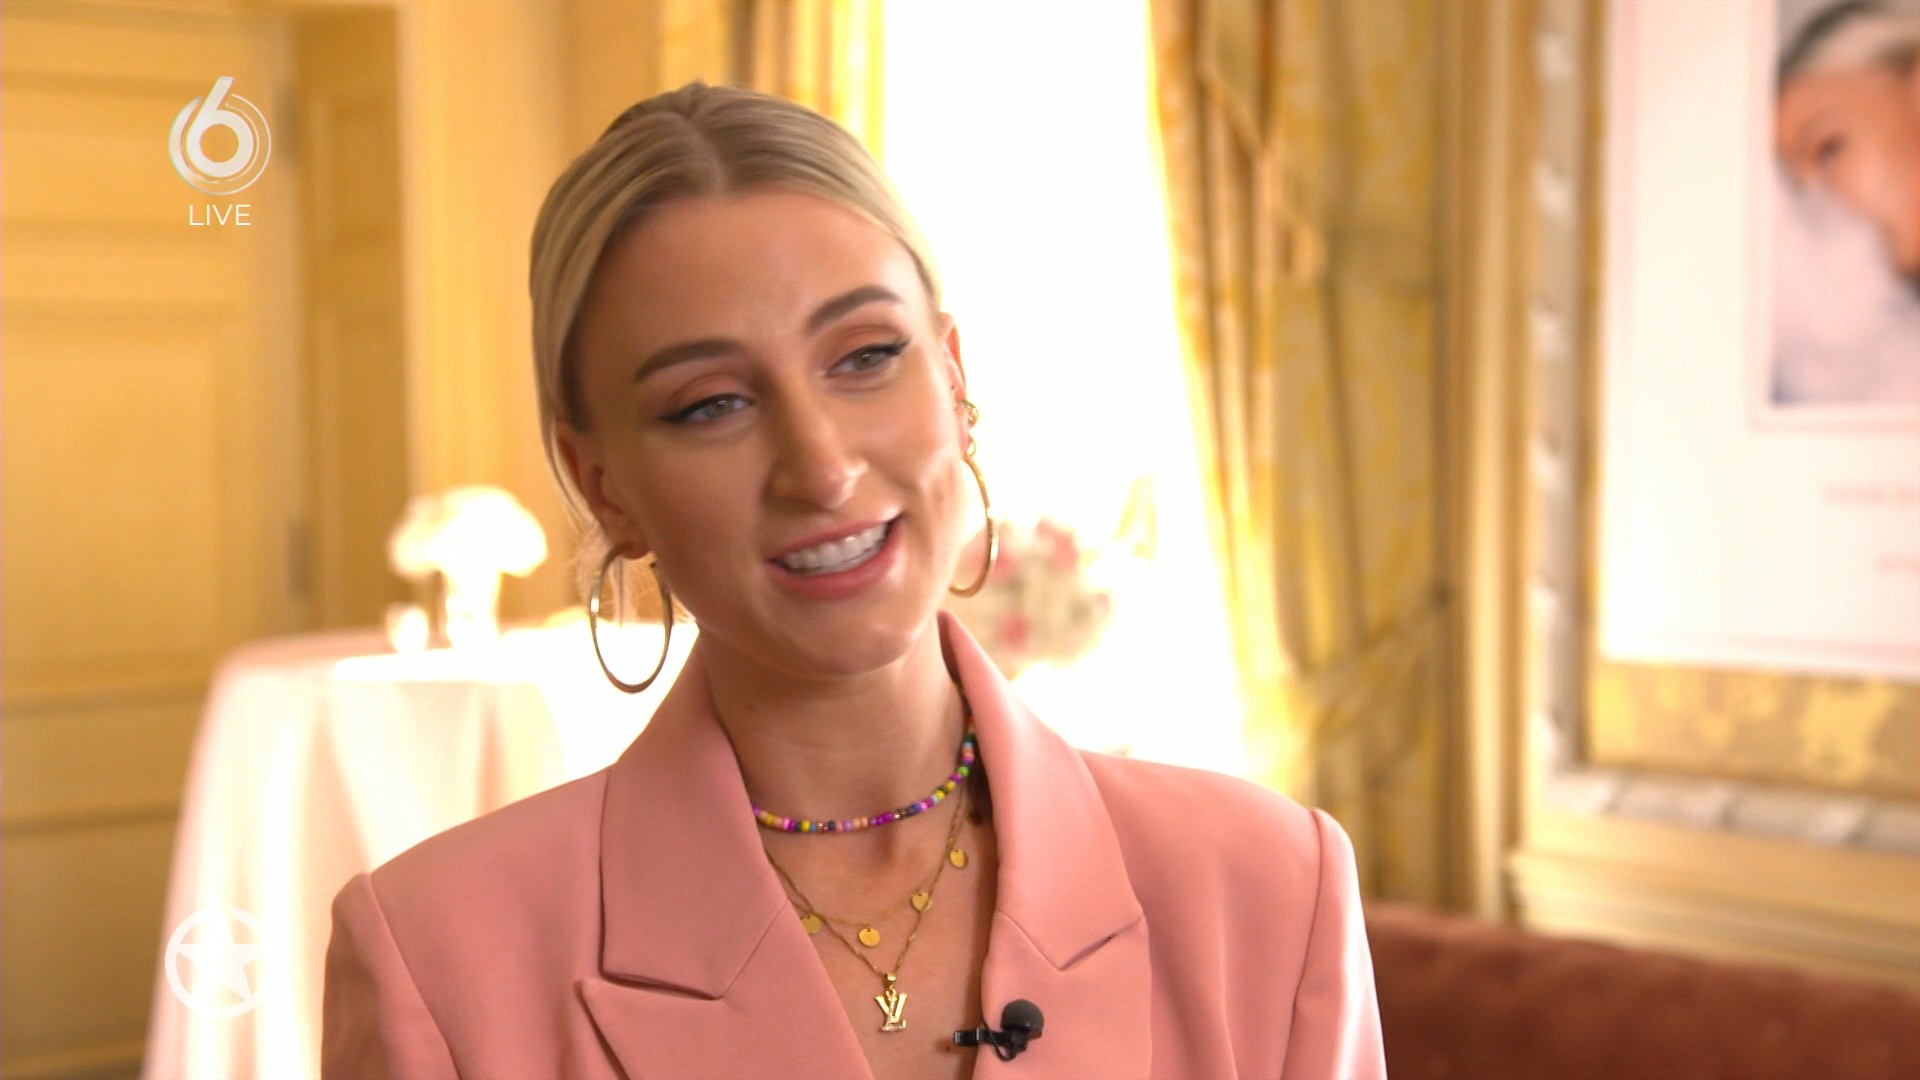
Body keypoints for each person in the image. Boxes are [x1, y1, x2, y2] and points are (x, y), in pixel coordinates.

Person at [322, 81, 1384, 1080]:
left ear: (955, 380)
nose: (822, 467)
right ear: (603, 487)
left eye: (866, 356)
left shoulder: (1272, 885)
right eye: (710, 404)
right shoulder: (436, 961)